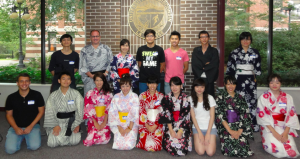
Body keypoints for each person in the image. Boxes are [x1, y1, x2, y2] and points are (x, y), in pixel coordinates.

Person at [256, 74, 300, 158]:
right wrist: (275, 133)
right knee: (277, 149)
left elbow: (291, 115)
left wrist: (286, 133)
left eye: (277, 82)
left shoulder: (288, 97)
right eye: (272, 82)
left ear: (281, 83)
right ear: (268, 83)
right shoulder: (263, 97)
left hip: (283, 125)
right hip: (269, 126)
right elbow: (262, 116)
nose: (274, 85)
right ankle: (266, 139)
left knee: (292, 151)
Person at [226, 32, 261, 132]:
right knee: (237, 101)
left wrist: (256, 75)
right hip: (238, 79)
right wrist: (231, 82)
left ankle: (252, 124)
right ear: (240, 40)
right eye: (243, 39)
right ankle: (236, 124)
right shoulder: (234, 52)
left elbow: (257, 68)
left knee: (251, 102)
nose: (245, 41)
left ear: (251, 40)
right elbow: (230, 68)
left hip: (251, 80)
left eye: (248, 39)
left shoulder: (255, 52)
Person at [4, 73, 45, 154]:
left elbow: (41, 112)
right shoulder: (11, 97)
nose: (24, 83)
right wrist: (15, 128)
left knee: (34, 146)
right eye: (21, 81)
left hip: (32, 126)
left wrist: (30, 126)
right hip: (16, 126)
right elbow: (9, 115)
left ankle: (30, 134)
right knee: (10, 150)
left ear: (29, 82)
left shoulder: (37, 95)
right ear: (17, 83)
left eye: (26, 81)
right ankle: (22, 136)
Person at [215, 76, 254, 157]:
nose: (231, 86)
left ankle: (240, 137)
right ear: (224, 84)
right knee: (228, 149)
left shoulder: (240, 97)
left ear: (236, 85)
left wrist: (239, 131)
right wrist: (230, 131)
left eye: (233, 84)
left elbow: (245, 114)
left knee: (243, 147)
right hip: (226, 126)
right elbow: (220, 115)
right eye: (228, 84)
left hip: (239, 125)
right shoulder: (220, 98)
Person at [44, 71, 84, 147]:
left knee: (74, 141)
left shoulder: (76, 94)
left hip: (72, 122)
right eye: (63, 79)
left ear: (71, 81)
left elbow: (80, 110)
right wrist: (55, 125)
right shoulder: (53, 95)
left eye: (68, 79)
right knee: (51, 144)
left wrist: (77, 124)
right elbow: (49, 111)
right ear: (59, 81)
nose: (66, 81)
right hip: (57, 121)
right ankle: (63, 138)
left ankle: (62, 139)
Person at [159, 76, 192, 156]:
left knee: (183, 148)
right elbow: (165, 114)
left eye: (177, 85)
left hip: (182, 126)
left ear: (181, 86)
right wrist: (171, 130)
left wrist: (180, 131)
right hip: (170, 125)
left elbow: (186, 116)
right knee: (172, 146)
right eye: (172, 85)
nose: (174, 87)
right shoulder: (166, 98)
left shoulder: (186, 98)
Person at [108, 73, 139, 150]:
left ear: (130, 85)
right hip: (119, 123)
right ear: (120, 86)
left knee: (128, 145)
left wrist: (129, 127)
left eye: (127, 86)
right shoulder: (116, 97)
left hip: (131, 123)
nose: (125, 88)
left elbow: (135, 113)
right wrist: (119, 127)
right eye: (123, 86)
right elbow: (113, 113)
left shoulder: (134, 96)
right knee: (118, 145)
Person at [79, 30, 113, 96]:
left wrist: (105, 73)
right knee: (90, 99)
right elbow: (83, 65)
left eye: (97, 36)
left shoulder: (106, 48)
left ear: (100, 37)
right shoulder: (85, 50)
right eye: (93, 36)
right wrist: (91, 76)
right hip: (89, 78)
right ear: (90, 37)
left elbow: (111, 62)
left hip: (103, 78)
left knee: (103, 99)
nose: (95, 38)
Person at [83, 72, 113, 147]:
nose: (99, 82)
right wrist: (95, 122)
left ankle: (103, 131)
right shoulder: (89, 93)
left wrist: (104, 122)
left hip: (105, 119)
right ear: (94, 81)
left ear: (104, 81)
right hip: (94, 119)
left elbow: (109, 109)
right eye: (97, 80)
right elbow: (88, 108)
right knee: (89, 140)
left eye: (101, 80)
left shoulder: (108, 94)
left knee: (105, 139)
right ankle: (91, 130)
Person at [136, 76, 164, 151]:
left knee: (156, 145)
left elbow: (162, 111)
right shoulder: (142, 95)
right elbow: (141, 110)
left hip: (157, 123)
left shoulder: (161, 96)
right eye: (150, 83)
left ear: (157, 84)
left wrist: (155, 125)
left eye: (154, 84)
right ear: (147, 84)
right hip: (145, 122)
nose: (152, 86)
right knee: (145, 143)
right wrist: (147, 125)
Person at [189, 78, 217, 156]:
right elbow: (193, 117)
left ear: (205, 88)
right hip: (197, 128)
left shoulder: (210, 98)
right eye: (197, 86)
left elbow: (212, 116)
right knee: (201, 152)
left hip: (210, 127)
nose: (199, 89)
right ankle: (199, 140)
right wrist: (200, 133)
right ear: (194, 87)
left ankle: (209, 140)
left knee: (210, 152)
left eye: (202, 87)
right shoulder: (190, 99)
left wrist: (208, 133)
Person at [136, 29, 165, 93]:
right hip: (143, 79)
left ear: (154, 37)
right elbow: (140, 64)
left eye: (151, 36)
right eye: (147, 36)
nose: (149, 38)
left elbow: (162, 64)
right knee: (143, 98)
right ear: (145, 38)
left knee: (156, 99)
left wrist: (157, 72)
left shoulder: (159, 49)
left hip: (156, 79)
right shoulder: (140, 49)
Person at [191, 30, 219, 97]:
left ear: (209, 38)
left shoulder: (214, 51)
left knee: (209, 99)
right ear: (199, 39)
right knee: (197, 99)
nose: (204, 39)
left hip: (209, 78)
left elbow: (214, 64)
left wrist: (203, 67)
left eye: (206, 37)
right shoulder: (196, 50)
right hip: (198, 78)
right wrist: (206, 65)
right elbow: (195, 64)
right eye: (202, 37)